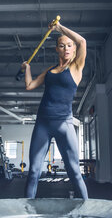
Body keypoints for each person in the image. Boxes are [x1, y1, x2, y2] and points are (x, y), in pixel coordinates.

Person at [21, 20, 88, 199]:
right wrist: (27, 68)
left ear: (74, 49)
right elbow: (29, 85)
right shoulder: (50, 70)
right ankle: (27, 211)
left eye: (69, 45)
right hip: (42, 123)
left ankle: (86, 211)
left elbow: (83, 42)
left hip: (63, 124)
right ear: (57, 49)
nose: (66, 48)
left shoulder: (76, 68)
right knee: (34, 172)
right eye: (61, 45)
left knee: (74, 172)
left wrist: (59, 28)